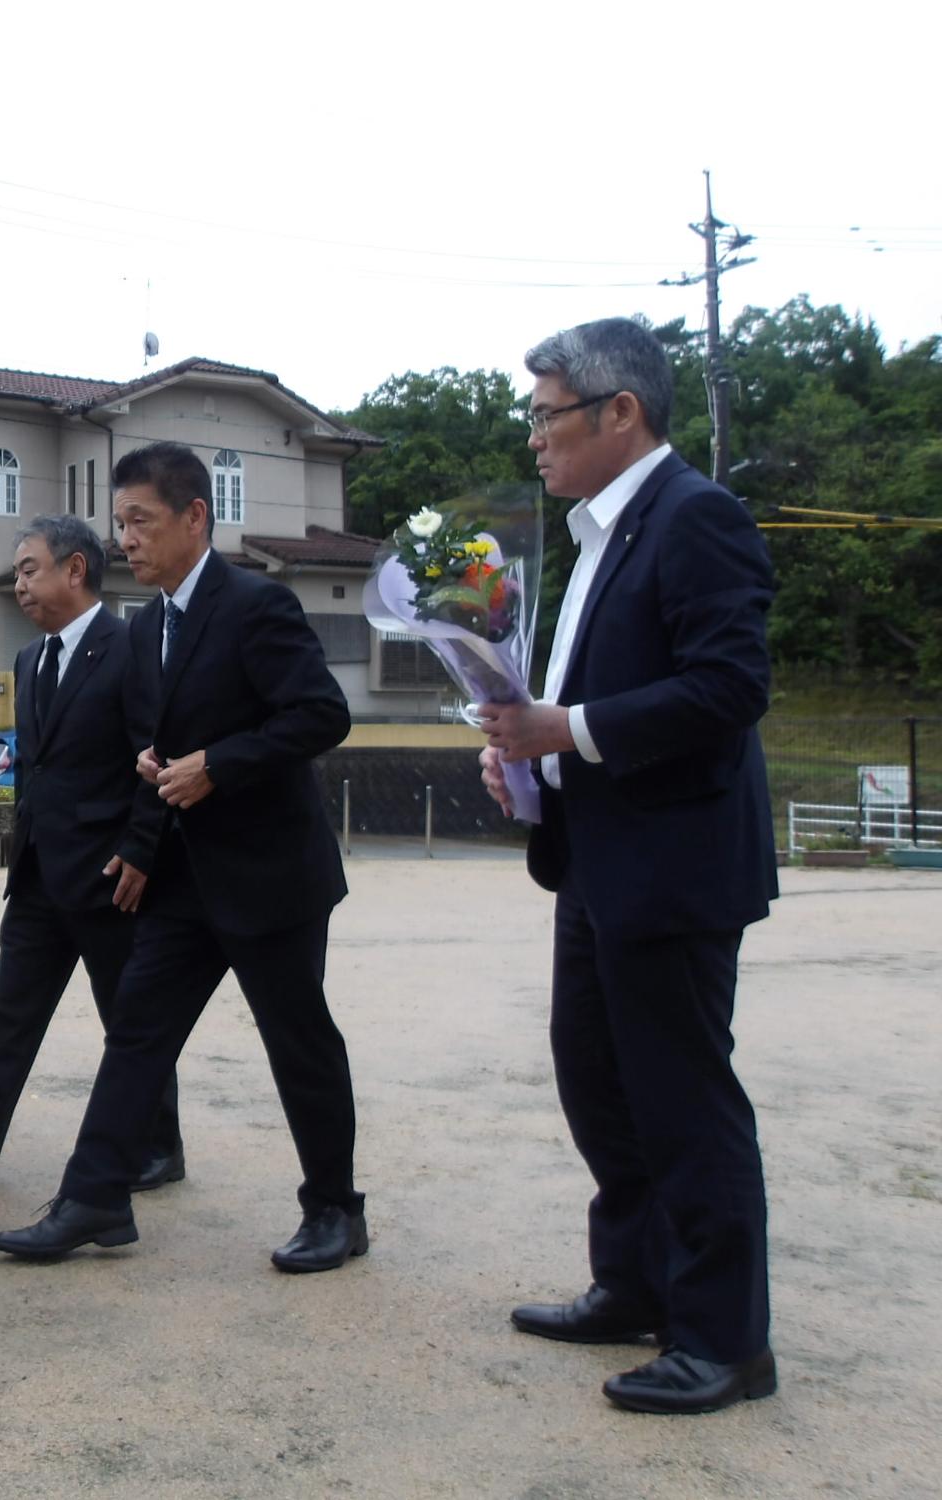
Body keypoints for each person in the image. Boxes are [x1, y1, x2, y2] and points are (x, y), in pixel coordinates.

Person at [477, 317, 780, 1416]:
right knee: (599, 1085)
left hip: (673, 864)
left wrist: (568, 731)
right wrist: (527, 759)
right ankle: (633, 1282)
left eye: (546, 415)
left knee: (682, 1102)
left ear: (620, 413)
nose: (533, 440)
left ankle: (722, 1342)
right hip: (598, 856)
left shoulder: (695, 517)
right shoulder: (597, 532)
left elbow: (727, 688)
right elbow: (581, 701)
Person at [0, 443, 365, 1272]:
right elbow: (158, 743)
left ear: (196, 516)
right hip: (183, 877)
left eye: (143, 521)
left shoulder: (256, 605)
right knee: (137, 1034)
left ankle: (335, 1209)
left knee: (297, 1042)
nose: (128, 538)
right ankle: (95, 1198)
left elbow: (321, 715)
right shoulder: (149, 624)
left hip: (271, 874)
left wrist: (219, 764)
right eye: (121, 522)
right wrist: (152, 798)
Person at [0, 515, 183, 1190]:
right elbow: (37, 769)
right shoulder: (32, 658)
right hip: (38, 872)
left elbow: (156, 756)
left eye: (30, 569)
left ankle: (160, 1147)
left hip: (112, 875)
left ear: (75, 569)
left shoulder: (130, 647)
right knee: (12, 1012)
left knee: (130, 1019)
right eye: (18, 573)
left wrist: (142, 850)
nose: (20, 584)